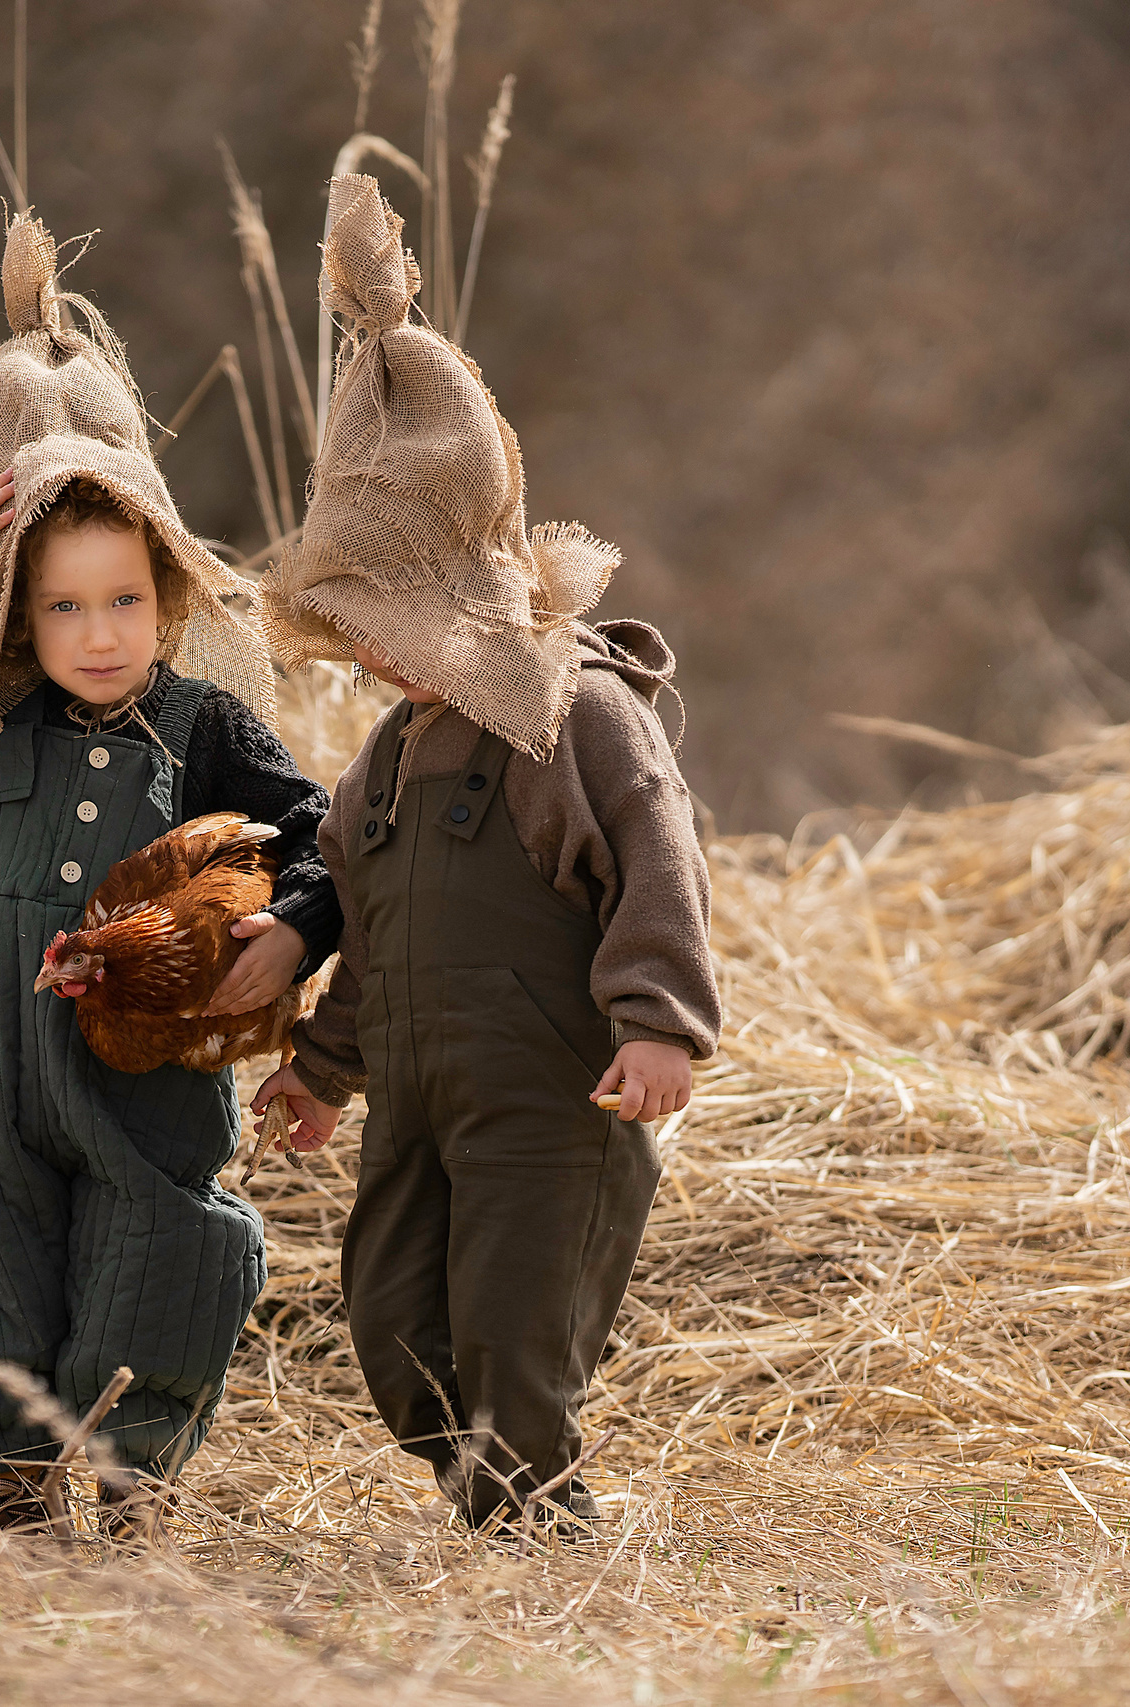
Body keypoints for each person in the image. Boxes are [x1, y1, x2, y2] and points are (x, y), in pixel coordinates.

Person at [0, 213, 338, 1538]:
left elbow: (319, 832)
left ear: (165, 594)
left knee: (158, 1247)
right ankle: (13, 1478)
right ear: (20, 610)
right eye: (63, 606)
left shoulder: (201, 729)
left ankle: (130, 1475)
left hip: (138, 1078)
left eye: (124, 601)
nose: (100, 634)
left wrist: (291, 932)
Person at [250, 176, 719, 1536]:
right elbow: (376, 933)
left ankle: (536, 1523)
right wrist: (324, 1067)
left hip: (553, 1101)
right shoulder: (386, 761)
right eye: (356, 625)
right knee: (391, 1323)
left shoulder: (579, 716)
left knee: (519, 1332)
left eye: (392, 617)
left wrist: (660, 1024)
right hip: (416, 1101)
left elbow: (659, 863)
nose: (373, 651)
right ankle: (497, 1492)